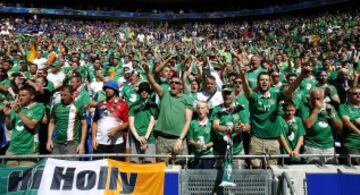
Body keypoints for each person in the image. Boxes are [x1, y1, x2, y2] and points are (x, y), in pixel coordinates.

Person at [239, 66, 310, 168]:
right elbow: (247, 90)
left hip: (273, 141)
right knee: (256, 171)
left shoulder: (276, 96)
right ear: (258, 82)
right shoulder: (254, 97)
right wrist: (242, 76)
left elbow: (290, 90)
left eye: (267, 80)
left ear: (270, 82)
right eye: (262, 80)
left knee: (273, 171)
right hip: (256, 141)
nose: (264, 82)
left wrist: (302, 76)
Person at [143, 62, 193, 163]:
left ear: (182, 87)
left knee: (181, 168)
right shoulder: (164, 93)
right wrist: (148, 72)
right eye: (172, 82)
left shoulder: (186, 99)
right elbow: (152, 82)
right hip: (162, 139)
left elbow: (188, 120)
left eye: (177, 83)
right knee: (162, 169)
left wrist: (180, 139)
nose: (174, 84)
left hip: (179, 140)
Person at [3, 85, 45, 166]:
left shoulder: (39, 107)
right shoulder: (17, 106)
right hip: (13, 150)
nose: (20, 98)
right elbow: (9, 127)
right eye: (19, 95)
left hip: (29, 151)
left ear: (32, 96)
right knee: (10, 176)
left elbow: (32, 125)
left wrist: (18, 112)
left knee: (27, 176)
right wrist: (7, 116)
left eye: (23, 95)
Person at [298, 88, 343, 163]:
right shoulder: (305, 107)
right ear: (310, 97)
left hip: (329, 148)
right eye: (313, 98)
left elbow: (340, 127)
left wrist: (331, 114)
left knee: (330, 172)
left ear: (323, 98)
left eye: (318, 98)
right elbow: (308, 125)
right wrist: (317, 109)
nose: (316, 101)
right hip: (312, 147)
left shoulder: (330, 107)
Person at [211, 84, 250, 169]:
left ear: (234, 94)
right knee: (219, 179)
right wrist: (231, 129)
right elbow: (215, 127)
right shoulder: (217, 109)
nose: (226, 96)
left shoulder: (240, 108)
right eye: (224, 93)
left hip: (237, 151)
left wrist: (242, 128)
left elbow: (247, 126)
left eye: (229, 93)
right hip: (220, 150)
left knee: (239, 178)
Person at [92, 80, 129, 160]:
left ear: (115, 90)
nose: (107, 90)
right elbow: (95, 122)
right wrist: (94, 138)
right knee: (99, 169)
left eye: (110, 88)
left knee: (117, 170)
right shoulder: (100, 104)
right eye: (106, 88)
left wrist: (117, 129)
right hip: (100, 143)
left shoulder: (123, 104)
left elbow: (127, 123)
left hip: (117, 144)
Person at [47, 86, 87, 159]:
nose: (62, 97)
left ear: (72, 94)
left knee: (70, 168)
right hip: (57, 143)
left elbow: (84, 125)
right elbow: (51, 123)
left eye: (65, 95)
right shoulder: (56, 107)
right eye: (61, 95)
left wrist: (82, 143)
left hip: (72, 143)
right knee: (56, 167)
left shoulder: (79, 105)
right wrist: (49, 139)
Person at [128, 82, 158, 163]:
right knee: (134, 164)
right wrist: (138, 138)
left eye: (146, 90)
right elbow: (131, 124)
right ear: (139, 92)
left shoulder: (153, 105)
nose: (144, 92)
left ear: (149, 92)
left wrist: (145, 139)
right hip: (135, 139)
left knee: (149, 164)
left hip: (150, 139)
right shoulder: (133, 106)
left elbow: (152, 122)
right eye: (141, 90)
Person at [188, 101, 214, 169]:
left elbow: (213, 141)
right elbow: (190, 140)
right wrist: (196, 144)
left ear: (207, 110)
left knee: (207, 177)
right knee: (195, 177)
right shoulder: (192, 123)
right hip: (195, 156)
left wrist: (206, 145)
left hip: (208, 156)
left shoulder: (211, 124)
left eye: (202, 108)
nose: (200, 110)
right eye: (198, 108)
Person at [339, 87, 360, 164]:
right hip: (352, 145)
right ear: (349, 95)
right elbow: (346, 121)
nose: (358, 95)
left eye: (359, 93)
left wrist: (354, 120)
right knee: (355, 170)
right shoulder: (343, 107)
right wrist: (358, 132)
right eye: (355, 94)